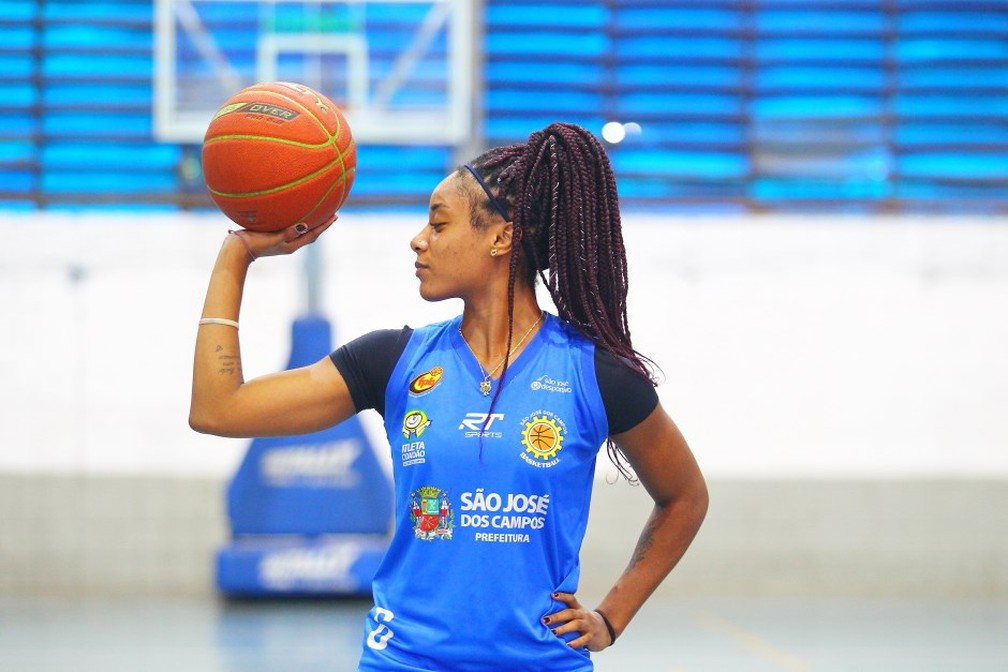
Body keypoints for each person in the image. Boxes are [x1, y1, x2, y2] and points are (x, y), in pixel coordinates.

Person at [190, 122, 708, 671]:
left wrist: (611, 615)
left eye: (438, 223)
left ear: (501, 237)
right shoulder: (391, 361)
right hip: (405, 660)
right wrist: (236, 255)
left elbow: (684, 497)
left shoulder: (594, 375)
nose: (419, 239)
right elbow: (218, 409)